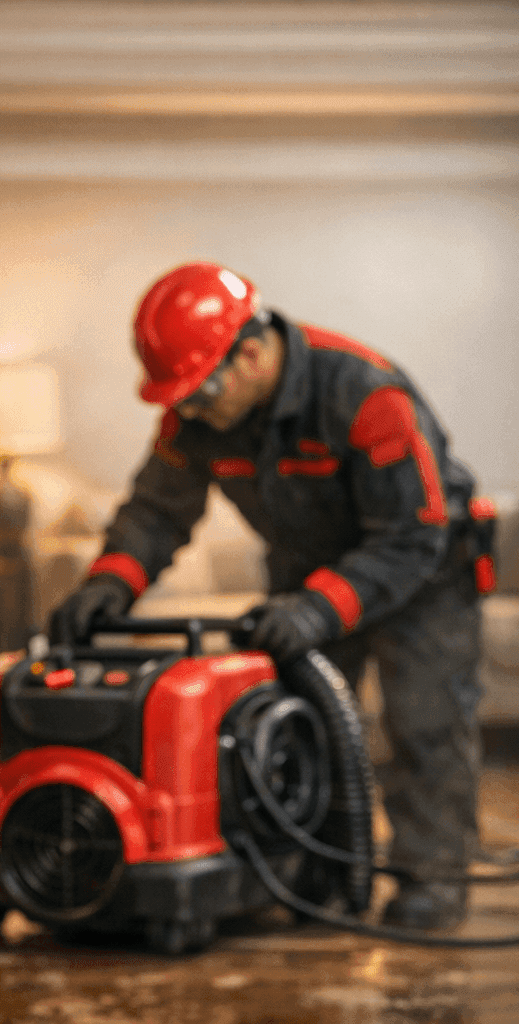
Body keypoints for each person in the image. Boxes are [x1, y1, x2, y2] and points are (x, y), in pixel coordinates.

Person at [53, 261, 495, 930]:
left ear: (252, 354)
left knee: (425, 727)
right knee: (300, 729)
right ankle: (316, 873)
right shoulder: (196, 411)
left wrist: (317, 608)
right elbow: (156, 511)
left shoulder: (365, 393)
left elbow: (411, 535)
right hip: (308, 572)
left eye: (201, 394)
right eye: (182, 400)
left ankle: (431, 879)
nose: (191, 412)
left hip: (425, 573)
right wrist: (109, 582)